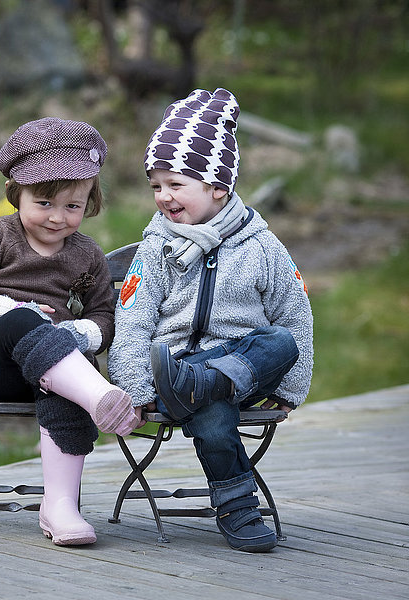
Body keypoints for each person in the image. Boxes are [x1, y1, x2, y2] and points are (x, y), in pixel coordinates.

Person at [107, 88, 313, 553]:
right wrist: (138, 388)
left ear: (217, 187)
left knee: (280, 341)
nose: (163, 197)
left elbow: (295, 314)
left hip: (244, 370)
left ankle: (204, 382)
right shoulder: (157, 248)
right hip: (174, 369)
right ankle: (239, 509)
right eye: (156, 186)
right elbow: (133, 320)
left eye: (176, 185)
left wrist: (288, 388)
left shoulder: (261, 247)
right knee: (214, 415)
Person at [0, 117, 140, 547]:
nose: (57, 217)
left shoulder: (87, 254)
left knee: (66, 358)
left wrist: (80, 334)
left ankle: (61, 507)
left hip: (52, 371)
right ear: (18, 194)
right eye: (45, 203)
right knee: (22, 322)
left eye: (73, 206)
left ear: (90, 201)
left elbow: (105, 316)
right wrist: (10, 310)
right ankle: (98, 396)